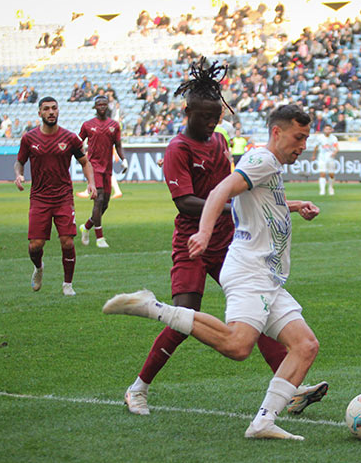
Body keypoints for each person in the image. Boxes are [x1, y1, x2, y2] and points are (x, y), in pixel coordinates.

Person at [117, 60, 326, 418]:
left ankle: (288, 388)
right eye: (205, 117)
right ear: (188, 113)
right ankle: (138, 387)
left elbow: (245, 193)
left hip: (229, 241)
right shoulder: (178, 148)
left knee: (257, 310)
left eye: (216, 117)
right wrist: (222, 215)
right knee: (186, 316)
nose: (212, 123)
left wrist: (287, 205)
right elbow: (186, 202)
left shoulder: (218, 141)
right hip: (193, 242)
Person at [14, 97, 96, 296]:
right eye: (46, 109)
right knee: (35, 245)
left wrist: (91, 182)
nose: (51, 112)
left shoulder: (70, 138)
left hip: (63, 198)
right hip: (39, 198)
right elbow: (19, 161)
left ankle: (67, 284)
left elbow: (85, 162)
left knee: (67, 242)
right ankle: (38, 267)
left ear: (58, 111)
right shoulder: (29, 139)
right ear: (39, 113)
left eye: (54, 108)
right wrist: (19, 175)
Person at [78, 95, 126, 248]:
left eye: (105, 104)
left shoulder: (114, 125)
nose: (102, 106)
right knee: (98, 200)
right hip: (93, 167)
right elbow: (78, 142)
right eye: (99, 104)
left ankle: (86, 227)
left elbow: (118, 144)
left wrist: (123, 159)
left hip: (107, 168)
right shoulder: (87, 125)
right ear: (95, 107)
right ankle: (100, 238)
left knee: (105, 204)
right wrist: (82, 159)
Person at [313, 124, 339, 195]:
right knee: (322, 173)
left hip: (330, 158)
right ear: (324, 130)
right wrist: (314, 155)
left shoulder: (333, 138)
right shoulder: (320, 138)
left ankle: (331, 188)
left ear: (331, 130)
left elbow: (336, 147)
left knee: (331, 174)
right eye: (326, 129)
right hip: (322, 158)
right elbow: (316, 147)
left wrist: (335, 152)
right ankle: (322, 190)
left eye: (329, 129)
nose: (327, 131)